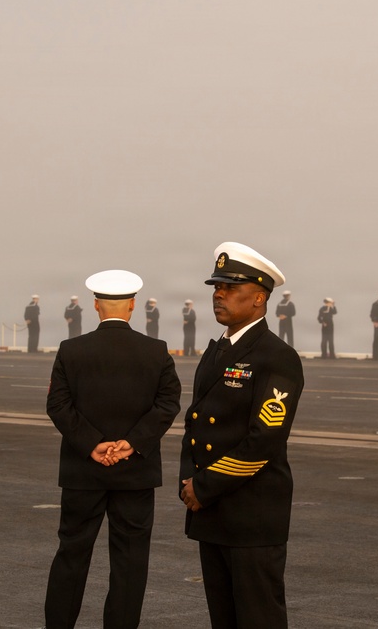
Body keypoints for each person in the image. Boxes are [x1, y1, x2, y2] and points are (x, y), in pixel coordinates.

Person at [44, 269, 181, 629]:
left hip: (82, 472)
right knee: (130, 561)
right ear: (133, 305)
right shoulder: (157, 351)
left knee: (71, 555)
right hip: (135, 472)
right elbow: (168, 404)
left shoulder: (70, 351)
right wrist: (131, 444)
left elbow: (58, 406)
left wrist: (92, 445)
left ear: (95, 305)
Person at [180, 241, 304, 629]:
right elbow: (196, 423)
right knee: (225, 620)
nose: (219, 295)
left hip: (251, 515)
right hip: (212, 512)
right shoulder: (217, 351)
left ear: (259, 298)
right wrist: (190, 482)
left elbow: (263, 441)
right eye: (217, 287)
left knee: (257, 619)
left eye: (230, 288)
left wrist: (203, 486)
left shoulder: (276, 356)